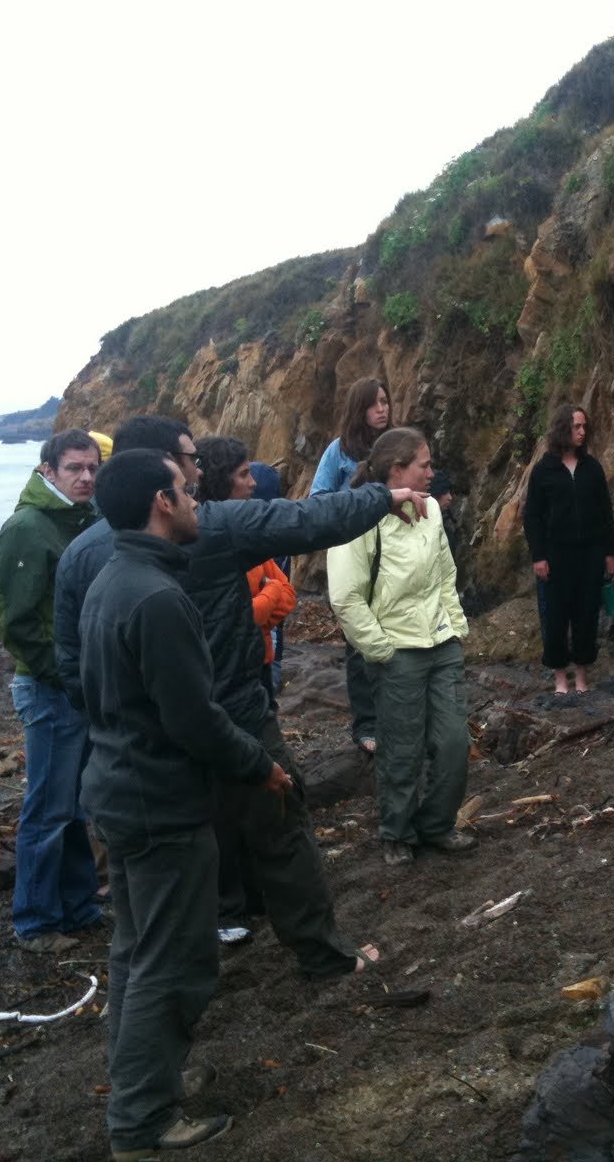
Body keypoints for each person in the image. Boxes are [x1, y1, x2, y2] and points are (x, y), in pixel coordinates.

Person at [55, 414, 420, 980]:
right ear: (164, 472)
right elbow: (304, 519)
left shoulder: (81, 554)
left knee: (168, 880)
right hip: (234, 714)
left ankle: (211, 940)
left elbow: (70, 661)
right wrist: (382, 497)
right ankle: (322, 955)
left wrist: (120, 723)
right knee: (281, 823)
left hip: (146, 746)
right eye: (190, 459)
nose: (199, 471)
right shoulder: (211, 527)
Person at [79, 448, 309, 1161]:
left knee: (137, 951)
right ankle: (143, 1121)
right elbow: (193, 717)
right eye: (186, 491)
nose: (197, 502)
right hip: (160, 804)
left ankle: (140, 1087)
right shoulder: (155, 596)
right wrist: (260, 765)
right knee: (174, 962)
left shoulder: (113, 577)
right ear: (161, 502)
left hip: (121, 791)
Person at [328, 428, 472, 866]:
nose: (432, 473)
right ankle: (398, 832)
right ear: (397, 470)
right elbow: (345, 597)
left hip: (440, 642)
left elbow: (445, 573)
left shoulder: (430, 510)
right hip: (396, 652)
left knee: (454, 744)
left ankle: (437, 826)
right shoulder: (359, 517)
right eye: (424, 465)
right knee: (402, 749)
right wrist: (381, 650)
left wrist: (455, 626)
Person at [0, 428, 103, 951]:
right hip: (48, 688)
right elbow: (16, 622)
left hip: (79, 685)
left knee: (75, 807)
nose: (86, 477)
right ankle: (34, 921)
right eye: (74, 468)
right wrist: (65, 675)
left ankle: (79, 908)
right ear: (47, 471)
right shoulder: (28, 528)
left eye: (92, 467)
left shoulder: (85, 519)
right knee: (49, 809)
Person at [197, 436, 298, 926]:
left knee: (266, 787)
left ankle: (255, 893)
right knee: (226, 795)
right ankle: (229, 903)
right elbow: (229, 614)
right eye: (243, 475)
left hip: (256, 668)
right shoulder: (206, 539)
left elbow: (287, 592)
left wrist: (261, 605)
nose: (253, 483)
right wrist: (260, 605)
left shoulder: (247, 535)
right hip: (222, 682)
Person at [310, 376, 392, 753]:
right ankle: (367, 725)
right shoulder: (339, 451)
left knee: (397, 631)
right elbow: (318, 497)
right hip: (353, 551)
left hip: (394, 551)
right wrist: (354, 505)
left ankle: (400, 716)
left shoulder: (396, 444)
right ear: (359, 409)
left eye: (385, 401)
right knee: (359, 640)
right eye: (374, 403)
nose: (382, 409)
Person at [524, 405, 614, 694]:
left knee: (586, 614)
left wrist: (610, 551)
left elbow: (605, 512)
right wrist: (538, 556)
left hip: (590, 553)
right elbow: (532, 517)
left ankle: (581, 675)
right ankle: (559, 677)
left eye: (584, 426)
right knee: (555, 617)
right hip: (555, 555)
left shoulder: (592, 468)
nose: (582, 432)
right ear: (563, 428)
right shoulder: (544, 470)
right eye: (576, 426)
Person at [248, 462, 292, 691]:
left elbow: (288, 597)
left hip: (265, 636)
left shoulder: (275, 538)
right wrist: (272, 589)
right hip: (260, 637)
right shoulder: (277, 534)